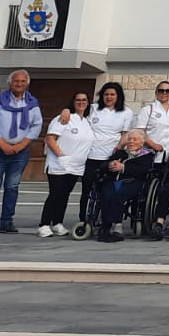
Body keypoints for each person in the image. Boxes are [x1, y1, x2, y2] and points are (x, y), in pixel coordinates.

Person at [0, 69, 42, 235]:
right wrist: (2, 144)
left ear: (27, 84)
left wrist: (21, 145)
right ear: (10, 83)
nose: (19, 84)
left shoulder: (33, 103)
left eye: (22, 81)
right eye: (16, 81)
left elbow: (36, 125)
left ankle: (7, 222)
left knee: (12, 187)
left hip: (20, 151)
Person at [39, 91, 94, 237]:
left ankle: (57, 223)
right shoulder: (64, 118)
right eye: (78, 100)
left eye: (84, 100)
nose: (81, 102)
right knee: (55, 194)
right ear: (73, 102)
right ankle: (44, 224)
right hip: (59, 164)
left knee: (64, 195)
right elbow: (50, 138)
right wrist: (60, 155)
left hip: (76, 167)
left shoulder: (87, 122)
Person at [97, 129, 156, 243]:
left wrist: (123, 167)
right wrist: (110, 165)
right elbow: (104, 166)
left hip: (133, 182)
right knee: (106, 193)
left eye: (135, 139)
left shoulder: (147, 156)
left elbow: (144, 171)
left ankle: (117, 227)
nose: (131, 141)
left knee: (118, 195)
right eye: (129, 139)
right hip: (114, 181)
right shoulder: (120, 153)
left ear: (142, 142)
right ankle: (105, 228)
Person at [132, 80, 169, 169]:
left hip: (168, 156)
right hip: (150, 153)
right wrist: (153, 145)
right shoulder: (148, 110)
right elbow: (139, 132)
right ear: (156, 92)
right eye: (161, 90)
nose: (164, 93)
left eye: (168, 91)